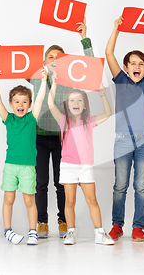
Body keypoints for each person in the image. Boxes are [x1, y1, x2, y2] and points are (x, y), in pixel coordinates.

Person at [0, 20, 93, 238]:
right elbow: (17, 62)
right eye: (51, 57)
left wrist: (84, 38)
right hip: (39, 139)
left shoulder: (70, 79)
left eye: (60, 58)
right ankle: (41, 222)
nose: (55, 60)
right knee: (40, 183)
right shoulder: (36, 77)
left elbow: (90, 67)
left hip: (63, 139)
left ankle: (63, 220)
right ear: (44, 62)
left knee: (62, 182)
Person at [106, 16, 144, 241]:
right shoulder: (121, 80)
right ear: (125, 67)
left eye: (141, 64)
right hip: (123, 139)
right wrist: (116, 29)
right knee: (120, 186)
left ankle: (138, 227)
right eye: (132, 63)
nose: (137, 66)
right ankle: (117, 225)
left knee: (141, 186)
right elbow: (109, 54)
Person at [47, 78, 114, 245]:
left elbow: (107, 113)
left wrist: (102, 95)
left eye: (79, 100)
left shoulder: (88, 121)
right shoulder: (63, 121)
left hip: (85, 167)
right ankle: (71, 232)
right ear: (67, 105)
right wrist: (54, 84)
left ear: (84, 105)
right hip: (68, 167)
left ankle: (99, 232)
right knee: (69, 201)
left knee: (92, 200)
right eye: (72, 100)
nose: (75, 103)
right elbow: (50, 104)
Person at [0, 68, 47, 245]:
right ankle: (7, 231)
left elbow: (40, 99)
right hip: (10, 167)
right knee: (8, 199)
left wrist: (44, 80)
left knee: (29, 199)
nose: (20, 104)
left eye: (24, 101)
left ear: (29, 104)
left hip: (28, 167)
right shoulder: (8, 119)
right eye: (16, 101)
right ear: (11, 103)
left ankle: (33, 232)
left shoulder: (32, 118)